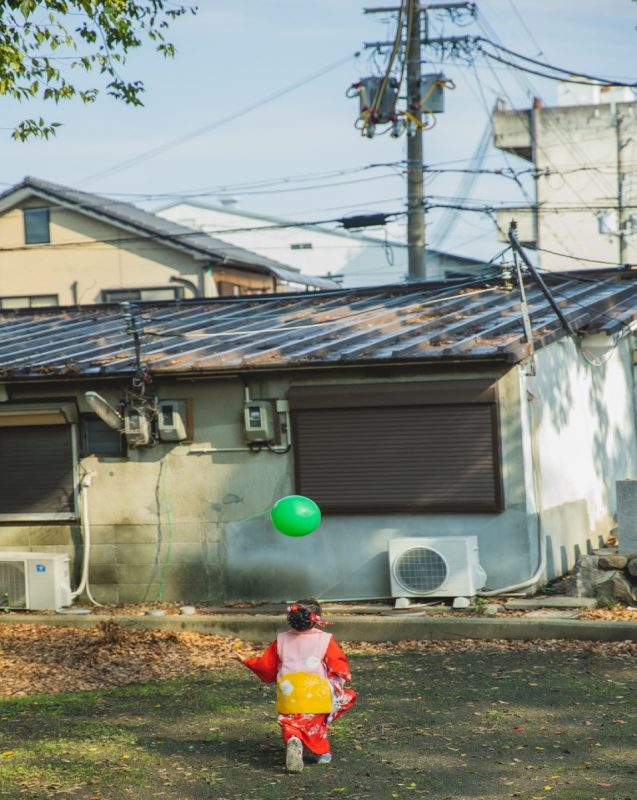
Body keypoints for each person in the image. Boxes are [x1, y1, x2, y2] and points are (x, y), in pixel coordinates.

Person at [235, 598, 356, 773]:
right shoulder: (325, 639)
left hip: (288, 693)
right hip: (315, 692)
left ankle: (294, 740)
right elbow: (338, 663)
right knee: (316, 722)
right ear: (317, 619)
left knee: (291, 723)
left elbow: (266, 666)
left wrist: (247, 661)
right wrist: (341, 676)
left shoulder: (281, 640)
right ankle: (322, 753)